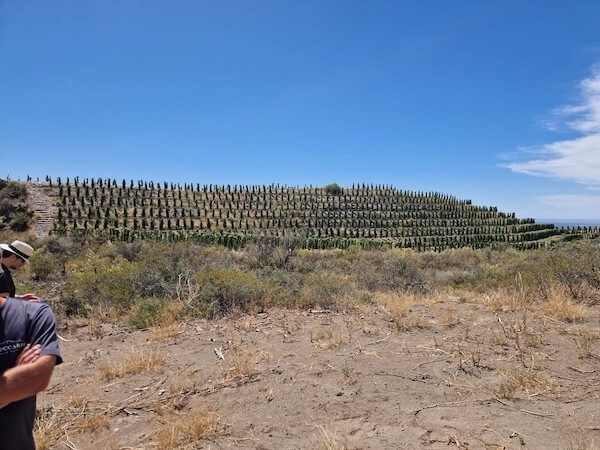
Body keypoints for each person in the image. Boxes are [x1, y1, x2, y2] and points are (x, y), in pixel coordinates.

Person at [0, 295, 62, 449]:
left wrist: (23, 381)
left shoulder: (34, 314)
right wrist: (16, 376)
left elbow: (36, 378)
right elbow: (25, 381)